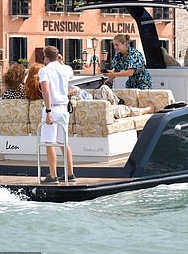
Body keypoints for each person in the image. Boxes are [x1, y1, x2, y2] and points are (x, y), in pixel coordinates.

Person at [38, 46, 75, 184]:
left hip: (52, 108)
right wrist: (62, 61)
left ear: (46, 57)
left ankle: (53, 176)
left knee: (49, 143)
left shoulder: (44, 70)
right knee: (63, 142)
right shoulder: (66, 69)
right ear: (58, 56)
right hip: (64, 109)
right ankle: (70, 174)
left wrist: (48, 111)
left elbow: (46, 90)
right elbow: (69, 73)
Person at [70, 84, 155, 118]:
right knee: (122, 109)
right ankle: (146, 110)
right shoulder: (65, 98)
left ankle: (115, 103)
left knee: (104, 87)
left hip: (95, 102)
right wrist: (70, 93)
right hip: (93, 109)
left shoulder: (64, 82)